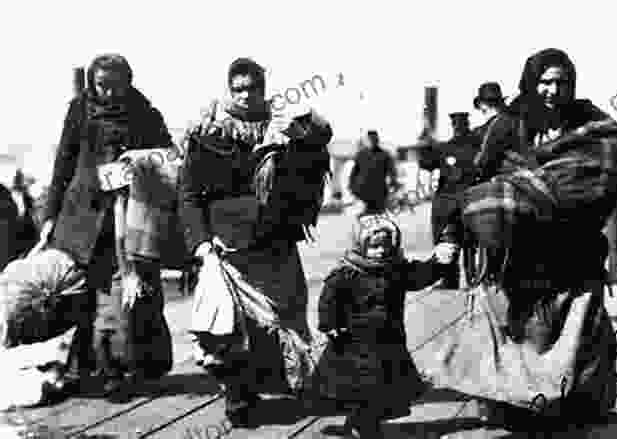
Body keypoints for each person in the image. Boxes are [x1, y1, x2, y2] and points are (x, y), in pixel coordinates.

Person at [433, 48, 617, 431]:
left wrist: (552, 195)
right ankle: (516, 406)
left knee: (580, 331)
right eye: (546, 81)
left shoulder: (590, 124)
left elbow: (611, 160)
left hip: (574, 250)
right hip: (519, 254)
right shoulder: (508, 125)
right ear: (531, 81)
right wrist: (452, 236)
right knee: (524, 334)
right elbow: (474, 185)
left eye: (562, 82)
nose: (553, 90)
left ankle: (578, 406)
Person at [179, 57, 332, 419]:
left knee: (284, 318)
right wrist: (201, 244)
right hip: (226, 246)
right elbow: (187, 194)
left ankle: (286, 383)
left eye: (253, 88)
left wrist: (305, 133)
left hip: (275, 240)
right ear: (229, 90)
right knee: (230, 326)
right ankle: (238, 397)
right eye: (239, 89)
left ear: (264, 90)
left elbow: (312, 162)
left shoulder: (285, 129)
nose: (246, 95)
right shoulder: (206, 134)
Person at [41, 54, 174, 397]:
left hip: (128, 218)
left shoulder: (146, 113)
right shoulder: (79, 111)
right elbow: (63, 162)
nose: (110, 93)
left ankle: (117, 370)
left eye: (117, 86)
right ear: (92, 83)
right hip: (81, 219)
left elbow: (169, 157)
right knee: (78, 296)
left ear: (129, 82)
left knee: (121, 295)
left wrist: (138, 162)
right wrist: (49, 216)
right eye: (102, 85)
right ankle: (77, 370)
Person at [314, 214, 453, 437]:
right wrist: (329, 323)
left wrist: (439, 262)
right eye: (374, 246)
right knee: (362, 388)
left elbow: (420, 276)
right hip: (353, 343)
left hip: (389, 341)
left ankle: (360, 422)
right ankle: (363, 425)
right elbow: (330, 299)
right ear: (360, 245)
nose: (380, 251)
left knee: (382, 389)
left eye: (385, 246)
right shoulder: (347, 272)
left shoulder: (396, 269)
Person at [419, 112, 481, 289]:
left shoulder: (446, 147)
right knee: (468, 242)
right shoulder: (476, 147)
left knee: (450, 240)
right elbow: (427, 163)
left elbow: (426, 163)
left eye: (459, 125)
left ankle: (452, 280)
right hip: (466, 199)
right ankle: (470, 279)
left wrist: (426, 144)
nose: (458, 129)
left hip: (449, 201)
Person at [348, 130, 399, 215]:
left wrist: (394, 184)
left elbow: (392, 172)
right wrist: (352, 189)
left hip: (379, 193)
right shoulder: (361, 155)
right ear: (367, 140)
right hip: (363, 194)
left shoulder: (385, 155)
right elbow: (354, 173)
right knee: (366, 219)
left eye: (374, 139)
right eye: (370, 139)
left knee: (379, 218)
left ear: (377, 140)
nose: (372, 141)